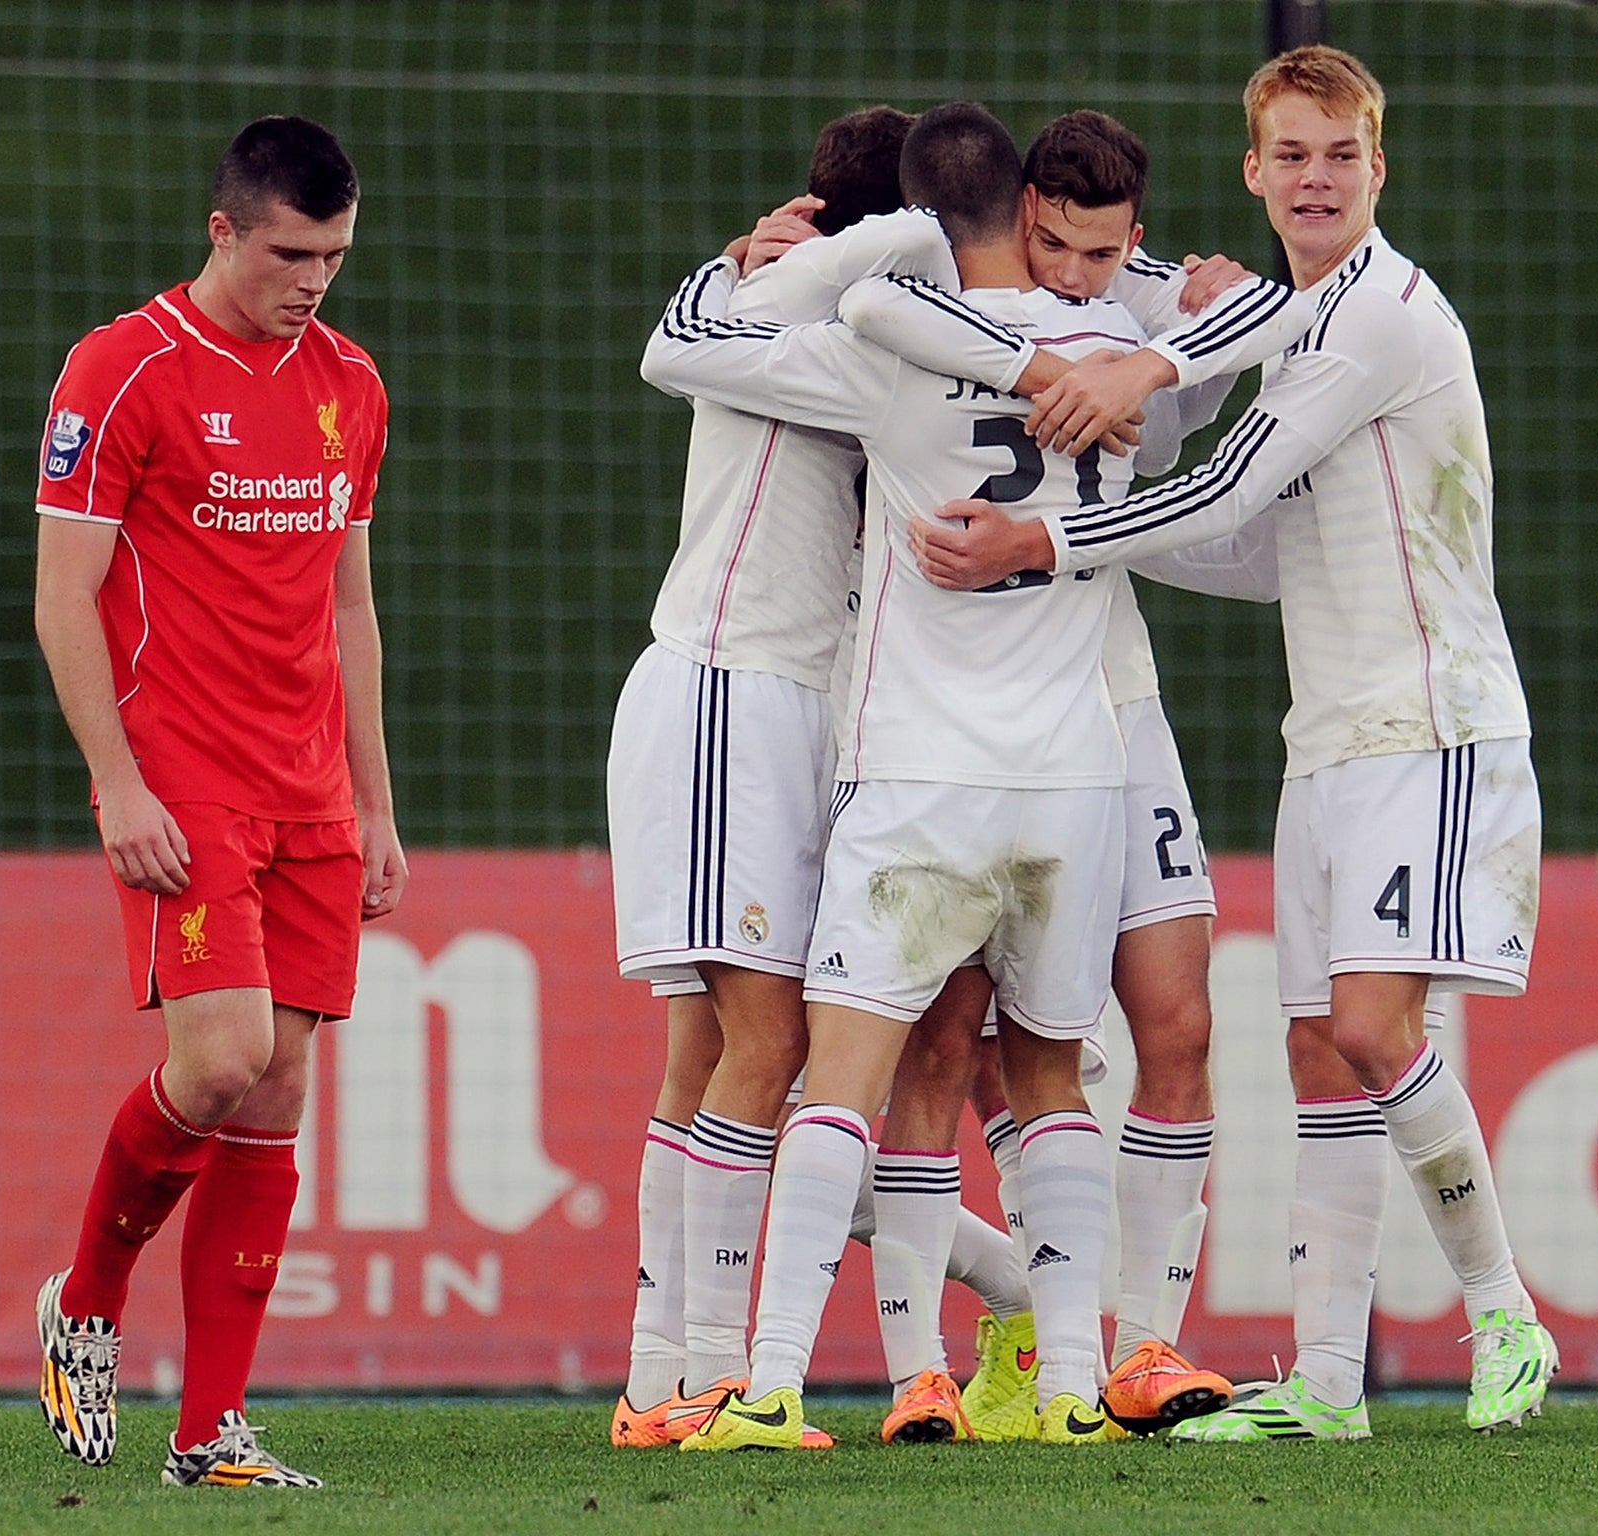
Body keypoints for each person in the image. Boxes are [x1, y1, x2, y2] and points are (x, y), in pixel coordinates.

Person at [909, 46, 1559, 1441]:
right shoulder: (1299, 317)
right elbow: (1259, 546)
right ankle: (1328, 1390)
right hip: (1330, 735)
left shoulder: (1373, 316)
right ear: (1255, 173)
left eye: (1343, 155)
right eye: (1293, 156)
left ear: (1378, 171)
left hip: (1428, 726)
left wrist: (1051, 532)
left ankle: (1504, 1308)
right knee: (1322, 1053)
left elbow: (1231, 484)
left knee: (1381, 1031)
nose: (1317, 179)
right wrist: (1101, 536)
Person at [644, 100, 1241, 1450]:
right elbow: (1235, 378)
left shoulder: (880, 346)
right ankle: (1075, 1386)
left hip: (922, 771)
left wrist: (772, 271)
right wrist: (1179, 334)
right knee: (1043, 1078)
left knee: (853, 1074)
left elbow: (686, 354)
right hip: (1071, 778)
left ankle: (774, 1380)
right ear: (1026, 215)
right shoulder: (1118, 350)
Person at [605, 105, 1024, 1449]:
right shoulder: (797, 292)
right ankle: (713, 1374)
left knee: (715, 1053)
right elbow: (676, 342)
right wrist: (797, 253)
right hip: (735, 683)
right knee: (771, 1046)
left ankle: (658, 1376)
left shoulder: (871, 317)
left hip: (789, 703)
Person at [30, 116, 405, 1488]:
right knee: (220, 1060)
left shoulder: (351, 382)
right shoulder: (122, 369)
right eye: (293, 253)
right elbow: (62, 593)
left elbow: (351, 605)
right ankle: (83, 1304)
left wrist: (375, 801)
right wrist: (114, 779)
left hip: (311, 784)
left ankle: (212, 1435)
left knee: (280, 1090)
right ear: (225, 231)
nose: (315, 280)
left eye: (338, 256)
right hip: (182, 776)